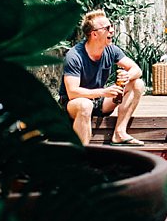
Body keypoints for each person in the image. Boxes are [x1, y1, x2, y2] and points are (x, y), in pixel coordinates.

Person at [60, 10, 146, 145]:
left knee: (138, 84)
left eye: (111, 26)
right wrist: (103, 92)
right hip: (75, 104)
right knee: (85, 105)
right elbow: (72, 92)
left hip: (100, 101)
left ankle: (119, 133)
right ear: (94, 34)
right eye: (107, 28)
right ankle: (82, 155)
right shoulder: (74, 56)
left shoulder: (111, 49)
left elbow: (137, 70)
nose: (112, 30)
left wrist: (127, 76)